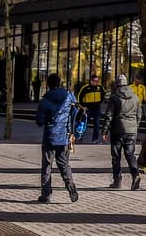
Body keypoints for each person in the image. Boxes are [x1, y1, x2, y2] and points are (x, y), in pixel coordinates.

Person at [34, 73, 79, 203]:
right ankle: (70, 186)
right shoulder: (69, 96)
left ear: (48, 85)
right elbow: (75, 112)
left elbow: (40, 121)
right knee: (64, 164)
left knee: (47, 166)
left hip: (50, 137)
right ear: (60, 83)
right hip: (64, 136)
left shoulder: (45, 100)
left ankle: (46, 195)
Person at [101, 75, 142, 190]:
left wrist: (104, 130)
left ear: (117, 85)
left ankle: (117, 180)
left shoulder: (114, 98)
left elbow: (109, 115)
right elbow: (139, 115)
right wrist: (135, 127)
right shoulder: (135, 97)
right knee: (130, 154)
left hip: (117, 130)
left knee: (116, 156)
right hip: (131, 130)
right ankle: (135, 175)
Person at [77, 74, 105, 144]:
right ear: (91, 81)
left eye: (97, 81)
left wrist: (100, 102)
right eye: (94, 81)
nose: (96, 82)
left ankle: (95, 139)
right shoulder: (85, 88)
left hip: (96, 108)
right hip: (87, 108)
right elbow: (79, 97)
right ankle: (79, 137)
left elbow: (103, 94)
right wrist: (82, 107)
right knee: (83, 124)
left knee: (97, 124)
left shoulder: (100, 88)